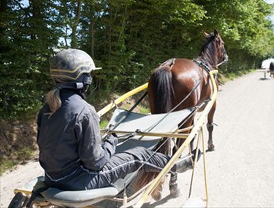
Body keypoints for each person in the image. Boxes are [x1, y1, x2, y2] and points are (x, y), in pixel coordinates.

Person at [37, 49, 197, 192]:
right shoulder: (85, 110)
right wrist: (111, 143)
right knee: (139, 154)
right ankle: (176, 165)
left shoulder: (46, 108)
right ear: (84, 80)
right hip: (79, 181)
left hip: (52, 178)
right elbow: (96, 163)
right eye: (89, 75)